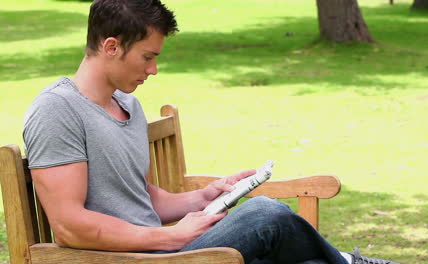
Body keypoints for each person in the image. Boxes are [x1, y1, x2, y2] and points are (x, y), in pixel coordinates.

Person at [22, 1, 398, 263]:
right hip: (131, 258)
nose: (153, 70)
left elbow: (143, 198)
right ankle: (350, 262)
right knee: (266, 213)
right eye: (148, 57)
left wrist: (207, 195)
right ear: (111, 46)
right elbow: (70, 226)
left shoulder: (128, 105)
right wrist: (171, 236)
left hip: (158, 250)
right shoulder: (57, 111)